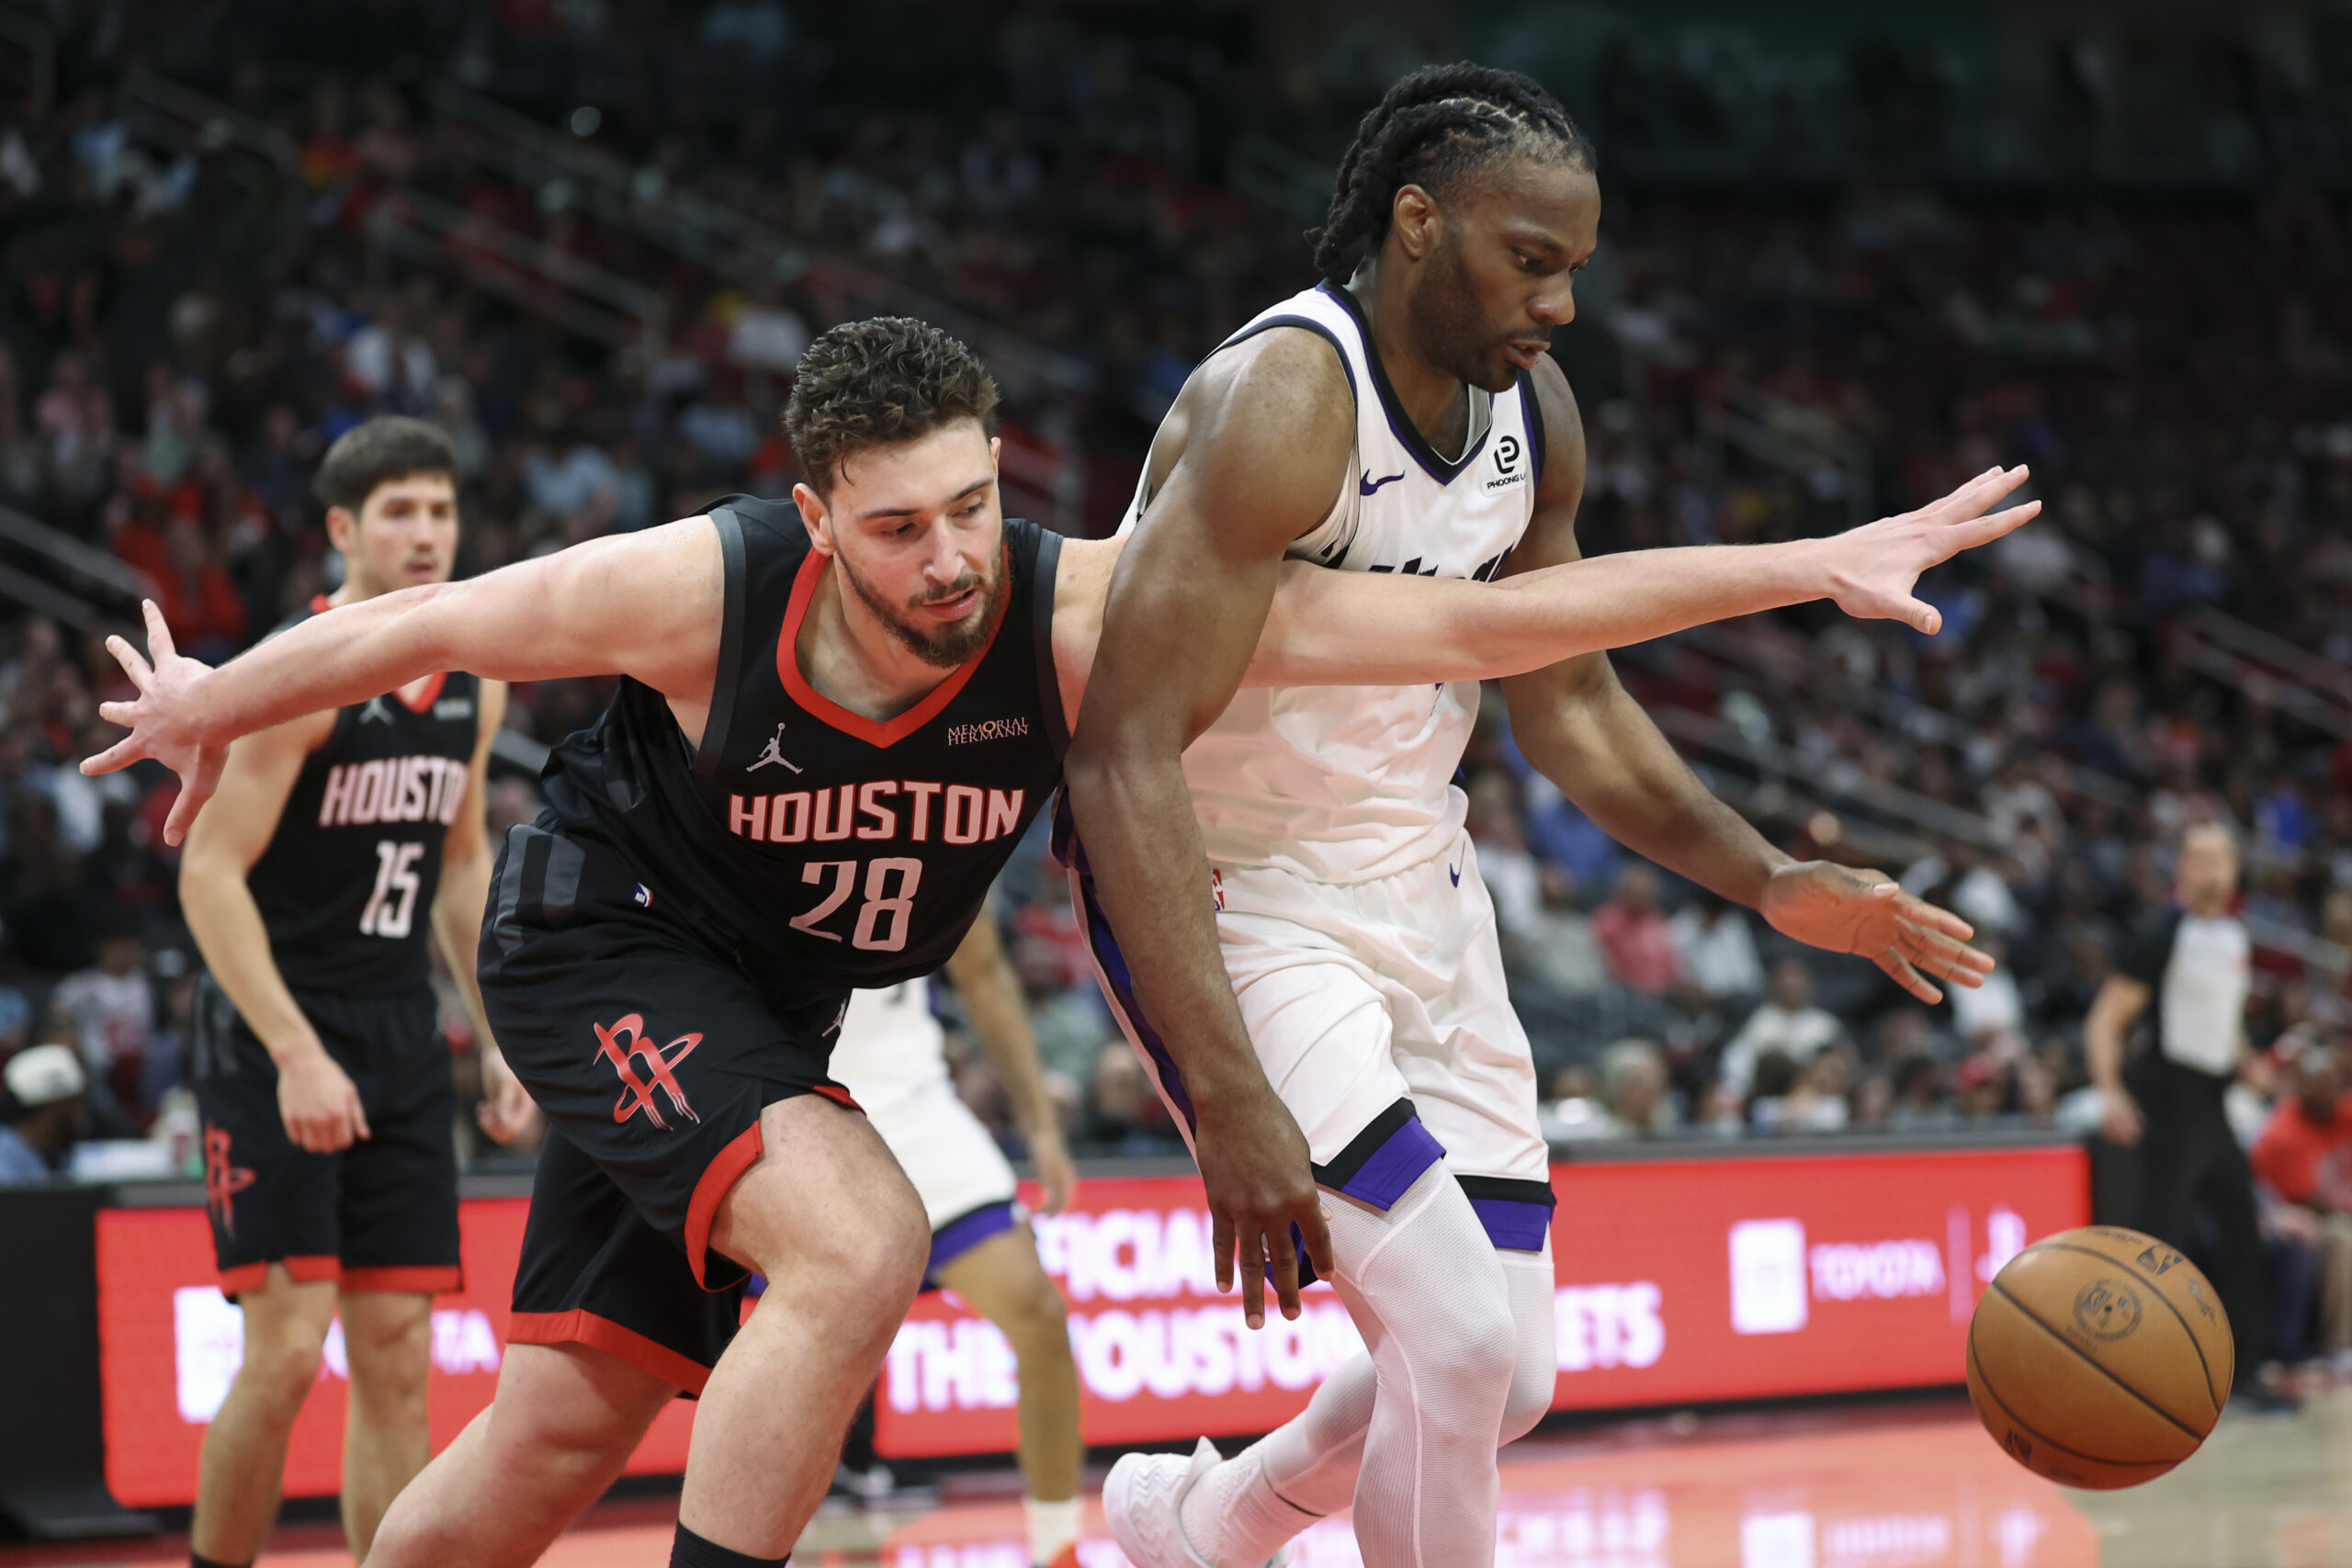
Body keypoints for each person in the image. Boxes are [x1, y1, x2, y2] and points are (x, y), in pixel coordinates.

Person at [93, 315, 2032, 1568]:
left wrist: (1806, 563)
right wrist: (212, 701)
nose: (944, 558)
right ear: (811, 513)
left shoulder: (1078, 608)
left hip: (774, 997)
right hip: (600, 941)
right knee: (855, 1244)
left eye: (969, 506)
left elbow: (1464, 630)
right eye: (895, 529)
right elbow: (409, 631)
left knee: (559, 1431)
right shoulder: (702, 585)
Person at [1057, 62, 2026, 1568]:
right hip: (1234, 889)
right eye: (1533, 260)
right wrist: (1228, 1081)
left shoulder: (1532, 419)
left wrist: (1767, 878)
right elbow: (1116, 755)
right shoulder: (1282, 404)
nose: (1562, 304)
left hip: (1420, 886)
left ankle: (1202, 1525)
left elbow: (1567, 699)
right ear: (1419, 220)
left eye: (1576, 267)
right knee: (1446, 1336)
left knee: (1508, 1377)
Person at [175, 416, 507, 1568]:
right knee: (282, 1352)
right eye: (399, 513)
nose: (425, 533)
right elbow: (206, 874)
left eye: (440, 509)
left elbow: (462, 866)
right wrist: (295, 1052)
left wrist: (495, 1033)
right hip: (272, 1025)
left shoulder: (474, 676)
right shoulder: (300, 676)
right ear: (341, 531)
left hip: (397, 1029)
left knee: (399, 1353)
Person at [828, 914, 1084, 1568]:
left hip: (916, 1106)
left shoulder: (942, 815)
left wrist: (1042, 1129)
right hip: (805, 1101)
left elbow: (984, 973)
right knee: (826, 1357)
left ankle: (1057, 1550)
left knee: (1040, 1315)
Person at [2087, 821, 2295, 1412]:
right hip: (2167, 1097)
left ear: (2234, 871)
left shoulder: (2233, 936)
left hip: (2213, 1099)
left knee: (2242, 1234)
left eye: (2220, 859)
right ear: (2180, 870)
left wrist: (2248, 1062)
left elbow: (2220, 1019)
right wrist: (2109, 1090)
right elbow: (2105, 1019)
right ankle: (2135, 1379)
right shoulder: (2161, 933)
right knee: (2158, 1243)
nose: (2210, 871)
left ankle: (2247, 1373)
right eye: (2198, 859)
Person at [2249, 1041, 2352, 1362]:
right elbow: (2312, 1204)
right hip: (2298, 1217)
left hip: (2336, 1211)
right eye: (2316, 1083)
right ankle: (2341, 1348)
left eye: (2331, 1082)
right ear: (2300, 1087)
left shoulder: (2344, 1113)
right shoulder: (2282, 1133)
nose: (2325, 1091)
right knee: (2341, 1238)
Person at [0, 1041, 85, 1182]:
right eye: (74, 1102)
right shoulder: (4, 1171)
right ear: (54, 1105)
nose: (79, 1112)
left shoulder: (56, 1157)